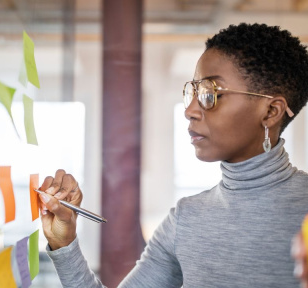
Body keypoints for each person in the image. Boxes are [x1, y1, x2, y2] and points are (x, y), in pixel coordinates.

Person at [38, 23, 308, 287]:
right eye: (193, 91)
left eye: (210, 93)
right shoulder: (186, 217)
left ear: (271, 112)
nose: (190, 109)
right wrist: (64, 244)